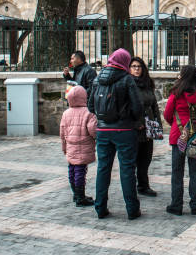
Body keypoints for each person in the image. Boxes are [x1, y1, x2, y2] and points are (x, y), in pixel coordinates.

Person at [88, 48, 143, 220]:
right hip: (125, 130)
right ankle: (132, 209)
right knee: (127, 170)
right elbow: (138, 107)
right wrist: (133, 121)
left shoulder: (98, 79)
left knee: (103, 169)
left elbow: (90, 106)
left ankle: (100, 208)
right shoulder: (126, 79)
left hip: (103, 130)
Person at [163, 65, 196, 216]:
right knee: (195, 171)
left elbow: (167, 114)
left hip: (178, 135)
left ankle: (176, 205)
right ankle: (195, 204)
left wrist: (177, 126)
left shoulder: (176, 93)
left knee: (177, 172)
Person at [60, 85, 97, 207]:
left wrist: (64, 147)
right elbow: (93, 130)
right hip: (84, 146)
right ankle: (80, 197)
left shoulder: (66, 113)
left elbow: (62, 132)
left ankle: (76, 194)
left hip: (70, 146)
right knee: (81, 171)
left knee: (72, 169)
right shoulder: (88, 113)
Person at [129, 57, 161, 197]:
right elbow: (126, 108)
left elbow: (154, 106)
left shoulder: (147, 84)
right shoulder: (128, 84)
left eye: (139, 66)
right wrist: (137, 123)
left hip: (149, 126)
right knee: (133, 159)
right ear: (129, 68)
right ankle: (130, 186)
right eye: (134, 66)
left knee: (146, 158)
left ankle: (143, 185)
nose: (136, 69)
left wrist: (157, 123)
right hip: (135, 129)